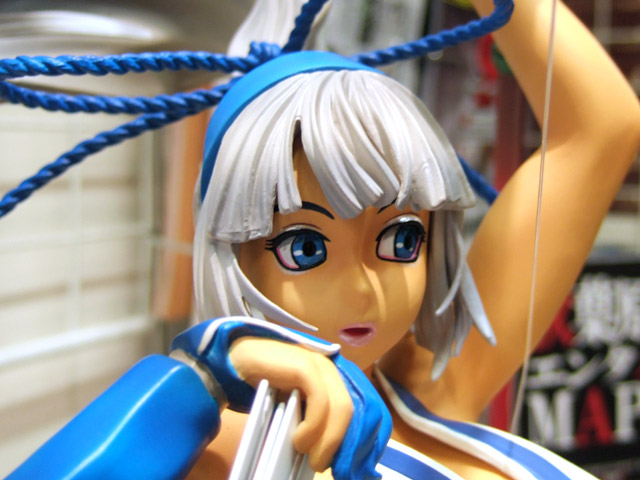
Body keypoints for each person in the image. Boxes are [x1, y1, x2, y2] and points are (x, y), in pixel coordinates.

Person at [7, 0, 640, 478]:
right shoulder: (225, 450)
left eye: (400, 239)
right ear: (235, 252)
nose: (363, 288)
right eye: (306, 248)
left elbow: (600, 130)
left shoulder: (432, 382)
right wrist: (196, 380)